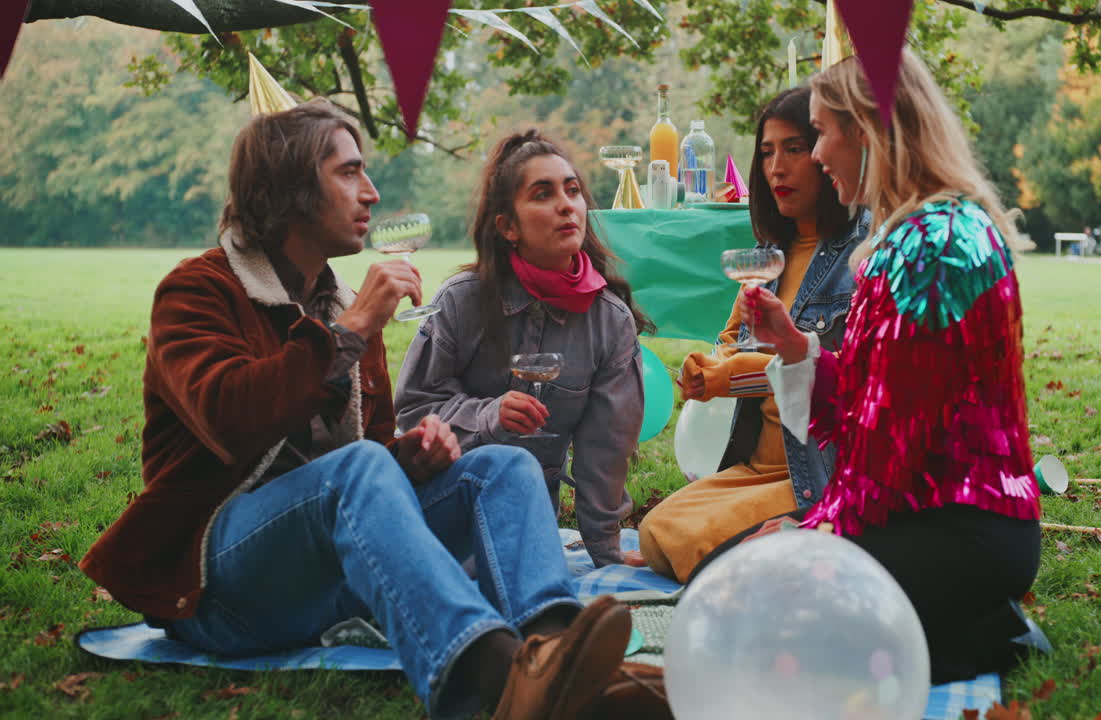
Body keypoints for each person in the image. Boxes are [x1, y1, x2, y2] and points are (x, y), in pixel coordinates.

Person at [77, 101, 634, 720]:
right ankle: (497, 674)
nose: (369, 193)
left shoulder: (338, 304)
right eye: (347, 173)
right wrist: (352, 329)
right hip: (218, 591)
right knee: (364, 466)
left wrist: (413, 459)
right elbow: (228, 418)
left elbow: (361, 463)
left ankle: (556, 651)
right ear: (288, 190)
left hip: (328, 577)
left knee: (503, 466)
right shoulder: (200, 291)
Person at [733, 50, 1044, 683]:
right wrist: (795, 347)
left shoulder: (932, 247)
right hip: (937, 518)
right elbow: (879, 400)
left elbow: (886, 453)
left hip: (957, 530)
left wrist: (811, 532)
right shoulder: (923, 231)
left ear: (871, 131)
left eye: (820, 133)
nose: (816, 155)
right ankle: (955, 632)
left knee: (748, 589)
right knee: (742, 568)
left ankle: (977, 635)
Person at [637, 87, 870, 582]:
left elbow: (825, 374)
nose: (776, 168)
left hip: (811, 469)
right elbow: (732, 338)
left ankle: (810, 537)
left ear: (828, 155)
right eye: (766, 152)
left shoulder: (859, 258)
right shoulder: (771, 252)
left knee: (686, 544)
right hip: (756, 465)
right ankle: (784, 550)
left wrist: (731, 376)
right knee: (656, 532)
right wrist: (709, 368)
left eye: (794, 148)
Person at [395, 129, 654, 568]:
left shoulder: (610, 321)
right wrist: (488, 417)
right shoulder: (460, 301)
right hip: (443, 507)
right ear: (508, 227)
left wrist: (606, 550)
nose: (565, 204)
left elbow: (604, 449)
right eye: (542, 193)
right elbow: (413, 409)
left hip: (531, 522)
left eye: (572, 190)